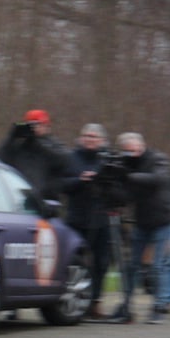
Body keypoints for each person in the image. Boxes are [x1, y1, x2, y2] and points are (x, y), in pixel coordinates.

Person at [112, 132, 170, 324]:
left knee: (157, 267)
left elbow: (157, 179)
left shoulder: (158, 159)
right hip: (141, 221)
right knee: (132, 266)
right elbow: (125, 196)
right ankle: (126, 306)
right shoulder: (126, 165)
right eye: (127, 151)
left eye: (133, 150)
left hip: (162, 219)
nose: (131, 154)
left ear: (141, 146)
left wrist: (128, 175)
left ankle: (158, 307)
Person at [61, 123, 115, 319]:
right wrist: (80, 179)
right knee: (76, 263)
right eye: (87, 136)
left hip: (101, 218)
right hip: (77, 219)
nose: (90, 139)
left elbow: (116, 186)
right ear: (81, 138)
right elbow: (62, 185)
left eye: (94, 137)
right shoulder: (71, 158)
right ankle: (74, 303)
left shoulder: (107, 158)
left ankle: (95, 303)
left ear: (101, 140)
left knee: (101, 263)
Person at [0, 109, 70, 202]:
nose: (34, 128)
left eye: (37, 124)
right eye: (30, 125)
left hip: (47, 202)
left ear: (47, 126)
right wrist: (10, 138)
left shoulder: (54, 144)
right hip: (21, 199)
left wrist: (37, 144)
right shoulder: (20, 146)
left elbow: (64, 161)